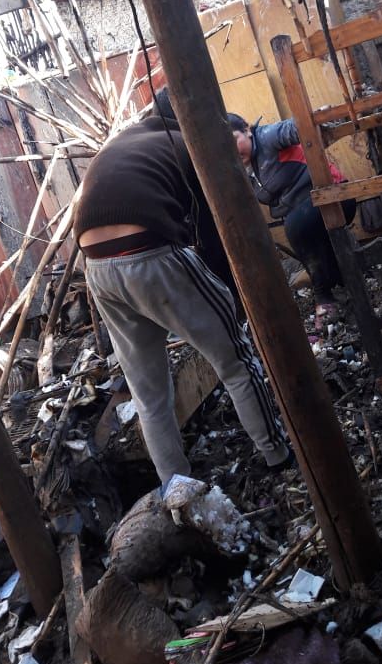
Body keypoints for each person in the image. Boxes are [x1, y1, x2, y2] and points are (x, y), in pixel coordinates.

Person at [73, 87, 290, 486]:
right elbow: (213, 236)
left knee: (149, 394)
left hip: (97, 269)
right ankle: (278, 455)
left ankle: (177, 491)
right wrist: (234, 306)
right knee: (236, 360)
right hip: (150, 253)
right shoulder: (191, 144)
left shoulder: (129, 139)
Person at [228, 114, 356, 332]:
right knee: (309, 239)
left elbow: (296, 127)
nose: (232, 151)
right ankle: (347, 296)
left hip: (333, 195)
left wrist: (320, 118)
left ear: (247, 130)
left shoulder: (266, 137)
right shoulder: (242, 170)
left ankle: (324, 297)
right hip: (305, 215)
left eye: (234, 140)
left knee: (295, 227)